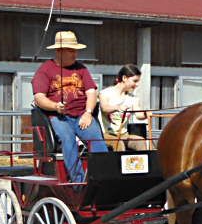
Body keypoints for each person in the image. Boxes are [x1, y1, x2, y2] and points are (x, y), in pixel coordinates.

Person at [31, 30, 107, 182]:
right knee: (67, 138)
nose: (75, 54)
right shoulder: (45, 70)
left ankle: (104, 176)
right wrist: (55, 106)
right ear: (59, 51)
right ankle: (77, 181)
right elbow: (39, 98)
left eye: (76, 51)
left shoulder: (81, 69)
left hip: (81, 115)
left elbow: (91, 93)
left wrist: (88, 112)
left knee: (96, 139)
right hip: (59, 117)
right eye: (71, 50)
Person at [99, 64, 149, 151]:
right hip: (105, 135)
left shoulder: (133, 98)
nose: (137, 85)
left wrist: (146, 114)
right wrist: (117, 107)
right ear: (124, 78)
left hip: (123, 135)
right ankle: (121, 164)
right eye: (135, 81)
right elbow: (105, 108)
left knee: (140, 141)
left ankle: (142, 164)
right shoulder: (105, 93)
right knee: (119, 143)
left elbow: (139, 115)